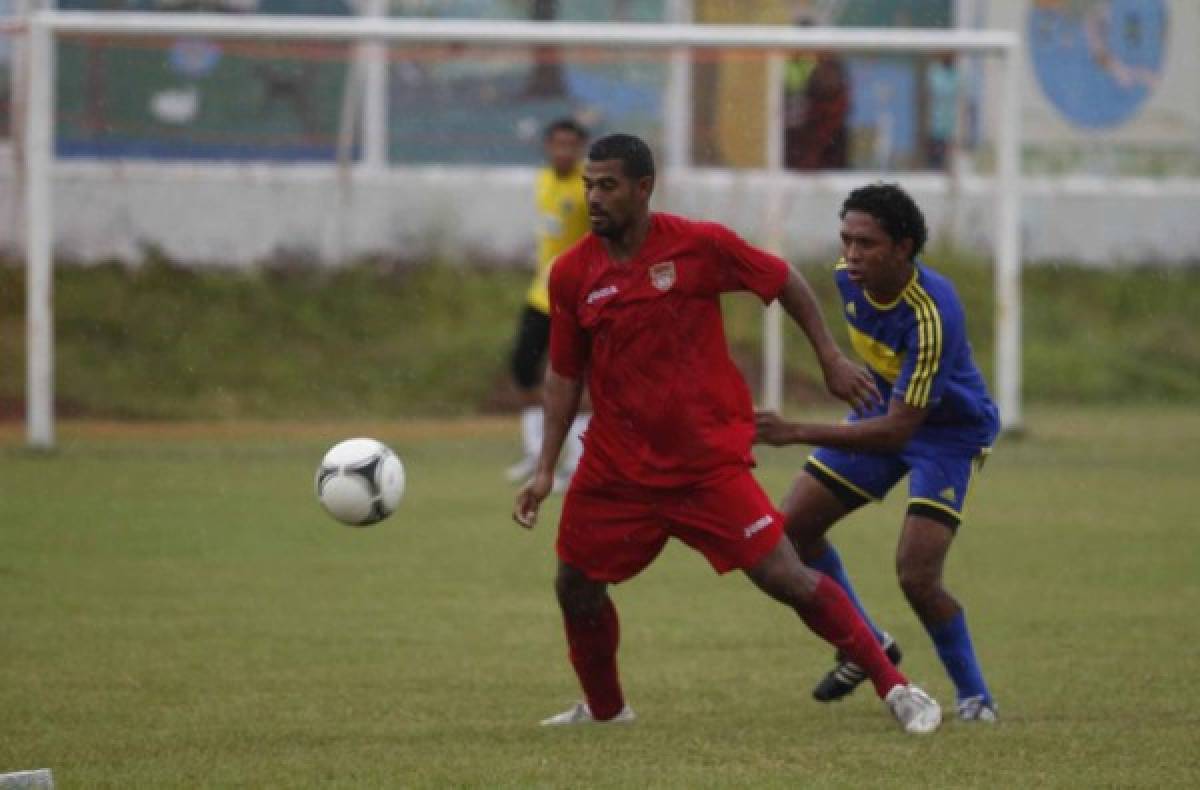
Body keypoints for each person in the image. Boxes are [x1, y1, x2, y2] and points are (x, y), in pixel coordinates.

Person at [511, 134, 942, 735]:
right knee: (575, 585)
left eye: (607, 185)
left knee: (787, 578)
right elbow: (562, 376)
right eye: (589, 185)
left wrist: (828, 357)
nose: (594, 197)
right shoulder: (572, 274)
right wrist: (542, 468)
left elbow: (785, 279)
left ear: (643, 188)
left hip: (704, 463)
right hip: (616, 468)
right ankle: (607, 712)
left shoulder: (698, 245)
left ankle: (897, 689)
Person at [755, 182, 999, 722]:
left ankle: (976, 697)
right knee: (789, 531)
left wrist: (795, 430)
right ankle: (868, 644)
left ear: (904, 247)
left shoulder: (933, 314)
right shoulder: (848, 280)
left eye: (866, 242)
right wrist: (830, 357)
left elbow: (897, 432)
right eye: (846, 240)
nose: (851, 254)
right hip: (886, 411)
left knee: (916, 575)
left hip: (947, 434)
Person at [506, 118, 592, 491]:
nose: (563, 151)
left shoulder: (590, 189)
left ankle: (577, 463)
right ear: (547, 146)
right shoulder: (542, 181)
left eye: (570, 145)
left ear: (580, 148)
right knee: (523, 366)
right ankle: (536, 452)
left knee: (574, 378)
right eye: (557, 144)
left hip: (576, 298)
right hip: (542, 294)